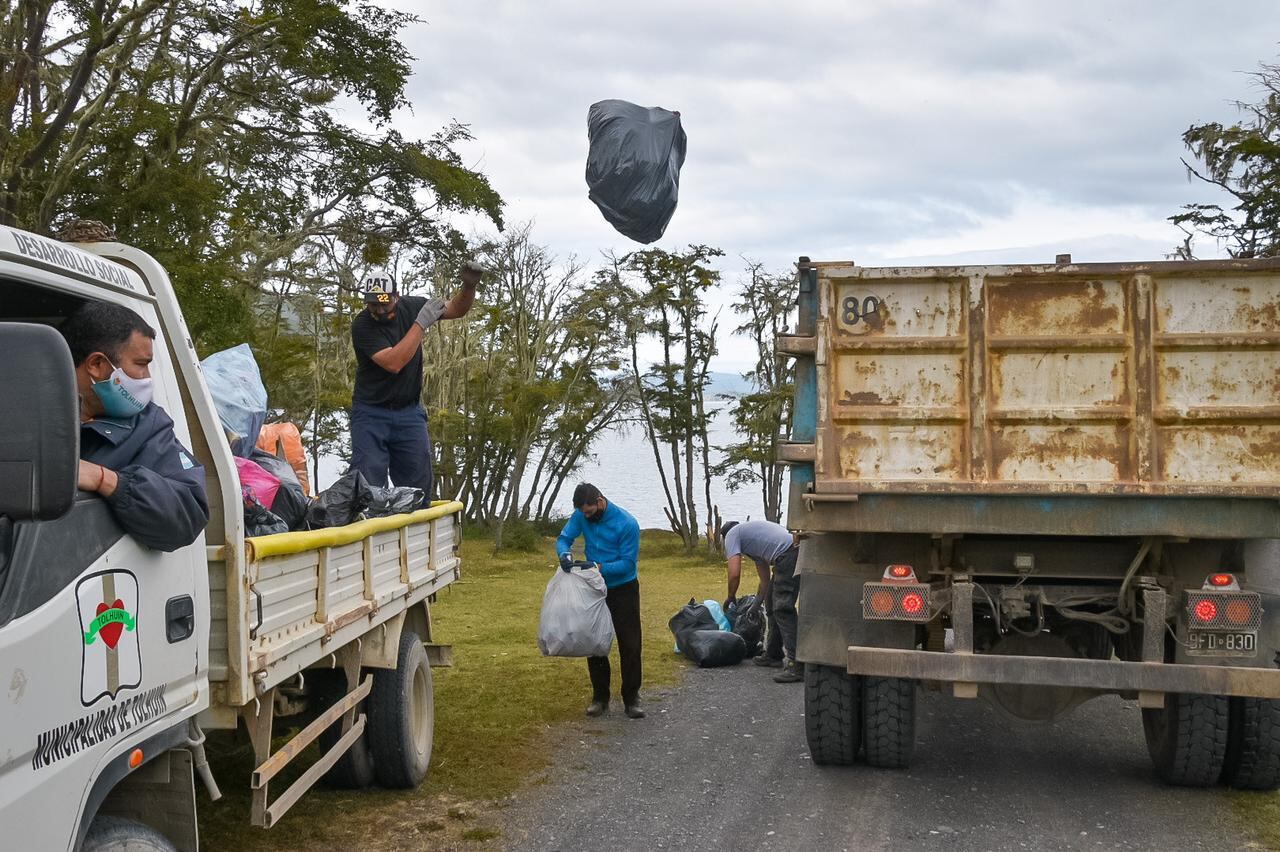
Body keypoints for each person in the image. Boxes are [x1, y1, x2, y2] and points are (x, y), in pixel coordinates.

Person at [60, 301, 209, 552]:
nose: (147, 377)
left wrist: (106, 480)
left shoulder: (149, 426)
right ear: (97, 364)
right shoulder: (23, 413)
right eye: (141, 364)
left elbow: (187, 515)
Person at [349, 263, 482, 500]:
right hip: (370, 414)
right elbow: (394, 362)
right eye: (373, 304)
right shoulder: (362, 326)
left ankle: (416, 535)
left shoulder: (413, 307)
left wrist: (469, 287)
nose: (379, 310)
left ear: (396, 297)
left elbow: (456, 309)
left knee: (418, 486)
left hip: (408, 413)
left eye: (384, 303)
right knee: (367, 486)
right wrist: (420, 324)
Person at [556, 483, 644, 718]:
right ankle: (600, 698)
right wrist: (564, 553)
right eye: (582, 512)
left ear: (600, 501)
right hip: (594, 587)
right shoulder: (580, 516)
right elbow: (564, 538)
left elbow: (628, 564)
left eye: (589, 511)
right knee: (593, 641)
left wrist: (597, 566)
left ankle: (632, 698)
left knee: (630, 643)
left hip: (623, 587)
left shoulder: (627, 524)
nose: (586, 516)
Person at [721, 519, 802, 683]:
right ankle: (773, 654)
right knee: (771, 604)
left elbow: (734, 573)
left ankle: (797, 665)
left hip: (789, 553)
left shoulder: (732, 535)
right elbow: (765, 582)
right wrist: (755, 605)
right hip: (790, 551)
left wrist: (730, 596)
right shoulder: (752, 543)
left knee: (783, 608)